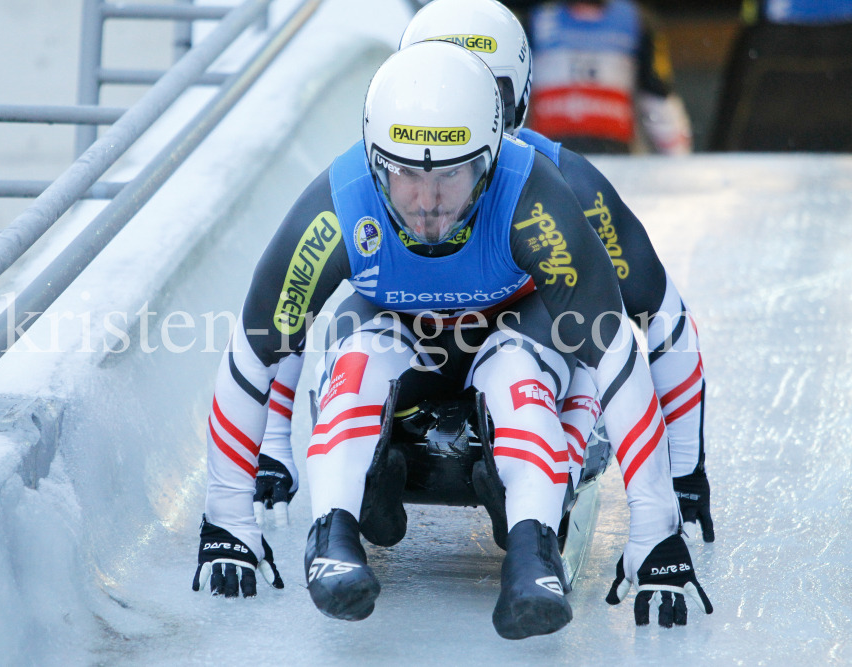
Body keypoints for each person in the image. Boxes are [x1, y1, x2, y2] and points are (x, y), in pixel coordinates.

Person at [193, 40, 712, 639]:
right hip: (392, 335)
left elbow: (617, 351)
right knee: (356, 360)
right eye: (406, 175)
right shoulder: (336, 205)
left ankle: (530, 547)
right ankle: (334, 529)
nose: (428, 202)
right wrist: (228, 518)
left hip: (517, 336)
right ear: (373, 158)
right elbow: (262, 342)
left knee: (518, 375)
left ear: (490, 160)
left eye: (452, 175)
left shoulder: (537, 197)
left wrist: (657, 525)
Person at [522, 0, 692, 155]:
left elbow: (658, 97)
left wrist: (679, 161)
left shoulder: (636, 20)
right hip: (548, 157)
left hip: (617, 158)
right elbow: (517, 94)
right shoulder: (535, 20)